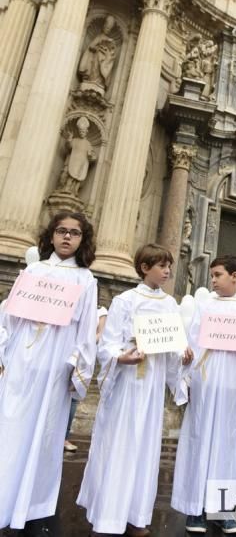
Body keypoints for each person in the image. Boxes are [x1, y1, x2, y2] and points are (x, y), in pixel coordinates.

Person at [77, 244, 191, 536]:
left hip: (151, 385)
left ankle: (137, 515)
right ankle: (108, 516)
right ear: (144, 268)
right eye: (161, 266)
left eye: (169, 266)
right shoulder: (125, 300)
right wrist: (120, 357)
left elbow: (173, 344)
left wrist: (182, 354)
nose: (167, 271)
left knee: (145, 447)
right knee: (121, 444)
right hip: (128, 383)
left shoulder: (170, 304)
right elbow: (108, 343)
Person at [0, 211, 97, 531]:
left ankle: (31, 506)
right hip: (19, 364)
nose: (67, 237)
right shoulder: (33, 271)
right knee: (8, 429)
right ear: (51, 236)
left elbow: (86, 330)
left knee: (44, 434)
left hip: (54, 366)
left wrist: (75, 366)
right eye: (61, 231)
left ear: (83, 240)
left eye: (74, 233)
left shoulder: (85, 279)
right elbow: (9, 318)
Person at [171, 254, 236, 535]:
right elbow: (193, 340)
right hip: (206, 382)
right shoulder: (205, 305)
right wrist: (186, 369)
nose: (212, 280)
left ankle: (223, 509)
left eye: (218, 275)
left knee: (229, 446)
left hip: (234, 385)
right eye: (212, 275)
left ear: (234, 276)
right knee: (200, 441)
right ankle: (196, 508)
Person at [64, 306, 108, 453]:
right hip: (66, 352)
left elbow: (100, 334)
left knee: (73, 396)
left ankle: (64, 437)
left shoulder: (101, 312)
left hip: (83, 358)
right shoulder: (75, 308)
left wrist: (84, 343)